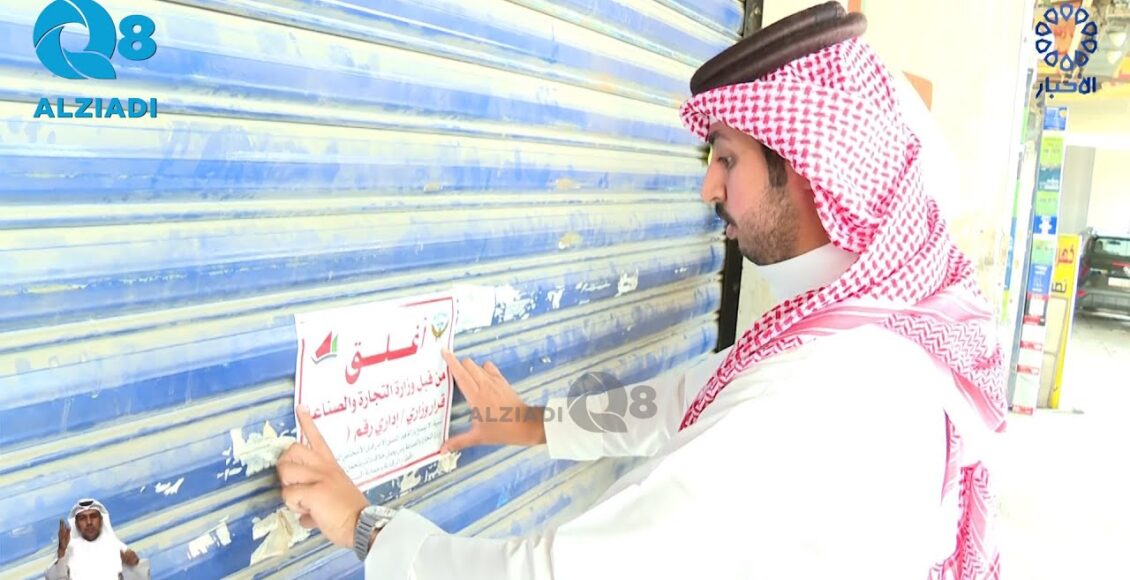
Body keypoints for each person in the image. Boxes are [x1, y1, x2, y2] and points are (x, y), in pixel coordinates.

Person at [276, 3, 1007, 578]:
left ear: (812, 170)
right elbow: (700, 394)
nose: (708, 187)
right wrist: (531, 422)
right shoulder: (885, 321)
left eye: (727, 159)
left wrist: (362, 527)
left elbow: (553, 572)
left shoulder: (810, 403)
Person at [45, 498, 150, 580]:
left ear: (101, 520)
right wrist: (61, 552)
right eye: (83, 518)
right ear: (76, 524)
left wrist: (134, 565)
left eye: (93, 516)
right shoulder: (66, 551)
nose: (89, 522)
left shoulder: (117, 548)